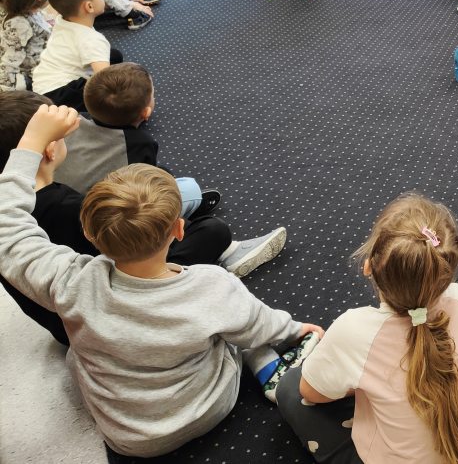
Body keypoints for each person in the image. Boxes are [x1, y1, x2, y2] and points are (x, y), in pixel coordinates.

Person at [0, 104, 326, 456]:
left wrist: (30, 144)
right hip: (209, 407)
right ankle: (263, 363)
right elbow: (263, 324)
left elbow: (9, 232)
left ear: (90, 235)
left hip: (127, 438)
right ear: (179, 229)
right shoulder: (211, 285)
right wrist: (296, 330)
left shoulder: (70, 283)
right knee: (237, 331)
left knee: (77, 358)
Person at [0, 91, 283, 346]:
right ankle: (213, 260)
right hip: (109, 314)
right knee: (212, 231)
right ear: (49, 150)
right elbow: (124, 258)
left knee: (163, 198)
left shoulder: (11, 220)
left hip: (65, 322)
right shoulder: (68, 207)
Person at [277, 193, 458, 464]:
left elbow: (311, 393)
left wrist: (357, 384)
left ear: (369, 266)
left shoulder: (354, 331)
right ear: (445, 271)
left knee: (289, 388)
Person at [53, 62, 288, 276]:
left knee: (170, 178)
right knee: (214, 230)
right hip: (116, 231)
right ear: (146, 112)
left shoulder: (74, 123)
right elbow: (144, 201)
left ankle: (187, 209)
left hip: (78, 219)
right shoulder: (137, 143)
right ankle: (220, 255)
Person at [31, 0, 122, 110]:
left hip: (42, 86)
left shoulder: (61, 20)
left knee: (114, 56)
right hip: (60, 94)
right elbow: (105, 80)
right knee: (106, 93)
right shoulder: (92, 40)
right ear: (89, 6)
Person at [0, 0, 51, 91]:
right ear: (32, 4)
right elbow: (10, 58)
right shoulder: (19, 24)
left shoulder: (29, 12)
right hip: (33, 75)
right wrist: (6, 90)